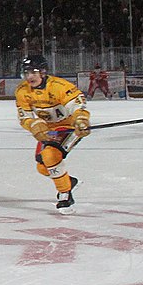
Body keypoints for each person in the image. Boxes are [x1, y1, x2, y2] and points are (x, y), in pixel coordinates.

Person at [14, 56, 90, 209]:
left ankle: (65, 194)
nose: (29, 77)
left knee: (50, 155)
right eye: (26, 73)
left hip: (68, 127)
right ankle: (69, 181)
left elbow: (77, 106)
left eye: (33, 72)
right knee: (42, 167)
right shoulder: (22, 91)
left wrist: (81, 120)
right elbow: (25, 117)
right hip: (49, 129)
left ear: (43, 72)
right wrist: (34, 125)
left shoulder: (60, 86)